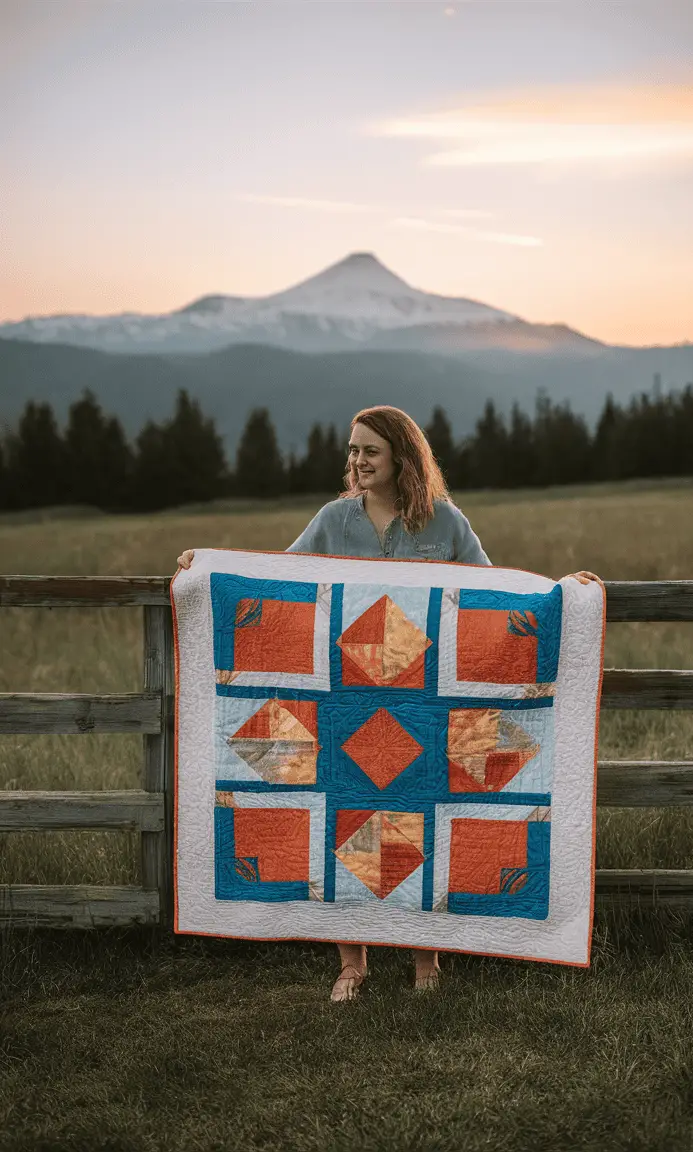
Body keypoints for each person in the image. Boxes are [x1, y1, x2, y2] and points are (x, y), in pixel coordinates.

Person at [177, 404, 602, 1002]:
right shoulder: (333, 520)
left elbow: (494, 598)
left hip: (424, 705)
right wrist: (210, 569)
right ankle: (351, 964)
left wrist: (567, 596)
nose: (357, 461)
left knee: (421, 813)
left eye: (369, 451)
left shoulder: (445, 525)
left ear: (403, 456)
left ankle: (426, 964)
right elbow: (276, 580)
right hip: (345, 703)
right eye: (352, 451)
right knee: (347, 821)